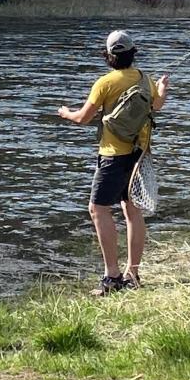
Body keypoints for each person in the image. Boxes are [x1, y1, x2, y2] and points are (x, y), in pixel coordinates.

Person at [58, 28, 169, 294]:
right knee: (132, 211)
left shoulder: (104, 83)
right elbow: (157, 106)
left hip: (112, 156)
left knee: (98, 210)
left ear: (108, 56)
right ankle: (134, 274)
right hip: (139, 153)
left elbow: (83, 118)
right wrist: (162, 88)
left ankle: (112, 277)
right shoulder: (145, 79)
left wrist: (65, 112)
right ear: (133, 53)